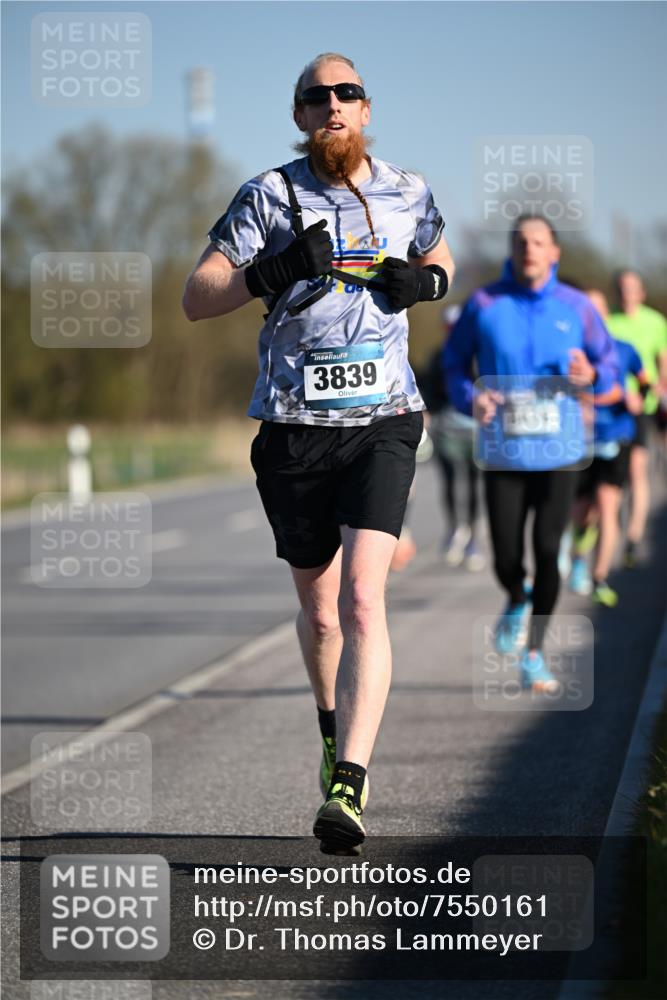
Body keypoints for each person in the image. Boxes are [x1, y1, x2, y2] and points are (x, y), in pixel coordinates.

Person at [182, 53, 454, 854]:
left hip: (384, 420)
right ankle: (332, 732)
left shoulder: (408, 190)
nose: (333, 104)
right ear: (300, 116)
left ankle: (350, 785)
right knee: (323, 612)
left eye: (347, 93)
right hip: (294, 428)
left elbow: (440, 259)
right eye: (317, 96)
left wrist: (425, 287)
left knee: (365, 600)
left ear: (366, 109)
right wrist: (272, 269)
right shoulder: (267, 195)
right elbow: (197, 297)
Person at [444, 216, 618, 692]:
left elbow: (608, 365)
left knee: (546, 549)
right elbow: (453, 363)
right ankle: (516, 597)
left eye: (539, 242)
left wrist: (591, 375)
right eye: (521, 242)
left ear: (554, 252)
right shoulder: (484, 303)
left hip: (560, 451)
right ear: (512, 249)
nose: (529, 249)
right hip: (503, 451)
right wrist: (471, 398)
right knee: (505, 556)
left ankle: (535, 653)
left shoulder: (577, 307)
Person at [568, 289, 649, 607]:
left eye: (597, 309)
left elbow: (643, 380)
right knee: (581, 511)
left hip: (616, 435)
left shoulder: (623, 349)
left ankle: (599, 577)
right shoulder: (570, 351)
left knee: (607, 506)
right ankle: (578, 554)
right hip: (580, 440)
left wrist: (638, 397)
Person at [606, 270, 667, 566]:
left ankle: (633, 535)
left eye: (632, 288)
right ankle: (613, 528)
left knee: (636, 470)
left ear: (641, 292)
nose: (627, 293)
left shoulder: (655, 322)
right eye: (622, 288)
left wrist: (656, 389)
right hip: (612, 406)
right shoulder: (608, 322)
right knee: (614, 476)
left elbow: (663, 363)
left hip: (643, 407)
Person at [418, 306, 484, 570]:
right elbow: (428, 390)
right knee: (450, 482)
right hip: (447, 430)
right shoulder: (438, 356)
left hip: (477, 431)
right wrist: (427, 411)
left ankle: (472, 539)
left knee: (474, 485)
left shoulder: (481, 355)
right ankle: (455, 529)